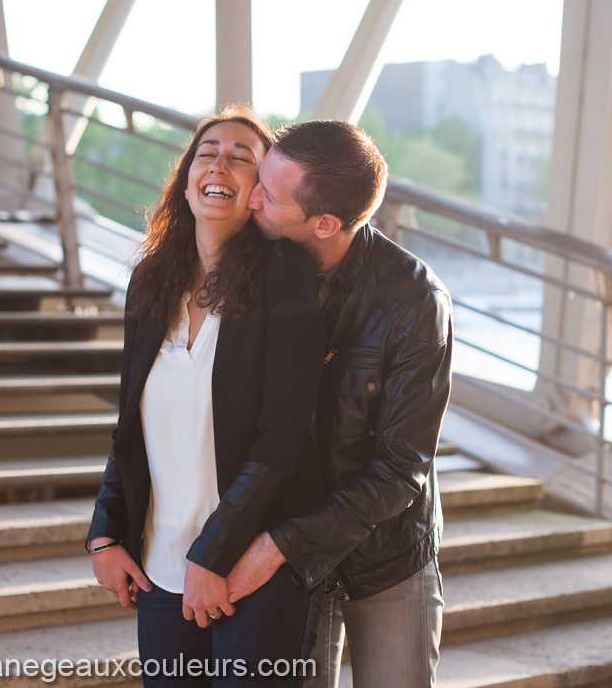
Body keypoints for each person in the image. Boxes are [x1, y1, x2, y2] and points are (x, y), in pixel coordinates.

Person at [86, 105, 326, 687]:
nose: (220, 163)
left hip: (252, 569)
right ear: (187, 180)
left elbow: (282, 437)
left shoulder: (286, 277)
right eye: (207, 152)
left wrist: (211, 556)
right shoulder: (150, 282)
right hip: (161, 570)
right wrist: (104, 533)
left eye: (243, 157)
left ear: (258, 193)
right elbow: (130, 426)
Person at [227, 120, 453, 688]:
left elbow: (402, 470)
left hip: (386, 553)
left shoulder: (414, 300)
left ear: (324, 224)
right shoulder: (252, 265)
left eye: (269, 195)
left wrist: (281, 544)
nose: (249, 198)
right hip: (286, 560)